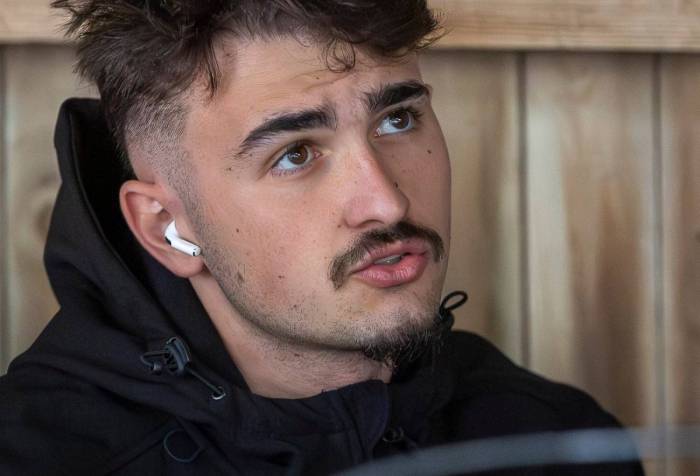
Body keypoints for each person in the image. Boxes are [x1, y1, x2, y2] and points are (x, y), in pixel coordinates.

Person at [0, 1, 644, 474]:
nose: (386, 202)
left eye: (397, 119)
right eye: (295, 154)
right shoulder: (36, 457)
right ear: (166, 228)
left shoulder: (557, 441)